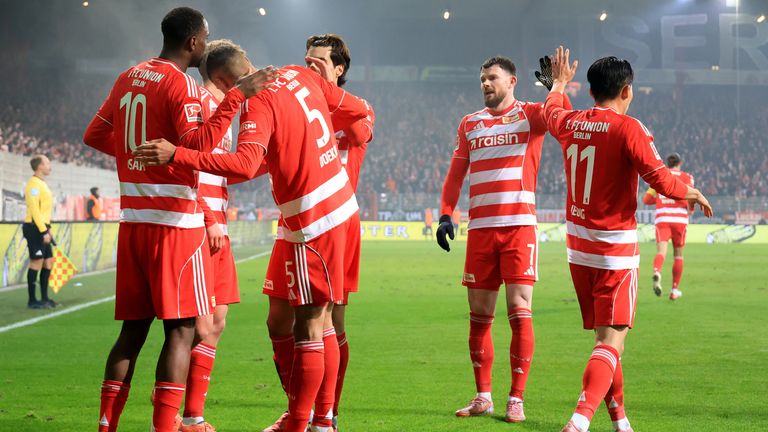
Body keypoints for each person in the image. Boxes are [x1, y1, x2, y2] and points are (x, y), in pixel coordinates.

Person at [133, 41, 369, 432]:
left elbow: (243, 165)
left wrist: (177, 155)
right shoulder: (298, 73)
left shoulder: (256, 101)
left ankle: (307, 424)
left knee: (311, 324)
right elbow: (358, 109)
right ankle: (319, 419)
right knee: (311, 319)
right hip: (339, 208)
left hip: (314, 218)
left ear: (225, 83)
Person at [82, 7, 276, 432]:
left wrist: (137, 156)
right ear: (193, 42)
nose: (205, 44)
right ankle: (168, 426)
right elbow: (199, 147)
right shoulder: (182, 85)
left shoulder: (128, 76)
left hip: (133, 222)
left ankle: (106, 426)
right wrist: (237, 97)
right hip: (175, 224)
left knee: (132, 333)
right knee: (181, 332)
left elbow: (94, 134)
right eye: (204, 37)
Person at [543, 46, 712, 432]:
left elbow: (552, 110)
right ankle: (579, 422)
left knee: (605, 342)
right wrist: (693, 192)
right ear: (627, 90)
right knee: (611, 344)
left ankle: (621, 422)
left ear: (590, 92)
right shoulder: (629, 128)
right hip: (614, 252)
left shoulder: (570, 122)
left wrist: (558, 83)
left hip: (578, 251)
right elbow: (661, 180)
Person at [436, 55, 571, 423]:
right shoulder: (470, 123)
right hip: (480, 230)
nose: (485, 83)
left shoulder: (531, 114)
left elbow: (562, 121)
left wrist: (558, 88)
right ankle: (483, 396)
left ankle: (516, 398)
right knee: (479, 317)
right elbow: (455, 174)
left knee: (519, 310)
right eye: (482, 78)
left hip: (518, 228)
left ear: (512, 82)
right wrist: (446, 213)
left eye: (492, 78)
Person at [260, 33, 375, 432]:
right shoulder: (297, 98)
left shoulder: (354, 109)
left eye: (319, 61)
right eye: (306, 59)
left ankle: (326, 416)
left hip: (332, 224)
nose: (310, 65)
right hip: (293, 221)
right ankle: (300, 409)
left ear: (339, 69)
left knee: (329, 322)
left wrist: (320, 104)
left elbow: (359, 131)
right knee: (278, 321)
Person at [178, 39, 244, 432]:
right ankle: (170, 404)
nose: (251, 73)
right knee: (197, 326)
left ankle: (192, 415)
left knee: (217, 322)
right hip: (201, 227)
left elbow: (220, 169)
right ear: (225, 74)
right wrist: (208, 218)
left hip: (219, 225)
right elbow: (188, 168)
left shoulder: (225, 111)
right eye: (244, 66)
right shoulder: (200, 103)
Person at [642, 152, 695, 300]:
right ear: (680, 163)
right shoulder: (687, 177)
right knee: (678, 255)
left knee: (661, 252)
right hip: (679, 220)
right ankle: (674, 290)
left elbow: (646, 199)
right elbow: (691, 197)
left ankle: (657, 271)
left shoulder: (660, 176)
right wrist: (690, 209)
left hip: (663, 218)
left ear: (667, 163)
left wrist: (660, 198)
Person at [22, 154, 56, 309]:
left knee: (48, 262)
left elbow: (44, 211)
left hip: (43, 227)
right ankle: (32, 300)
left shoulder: (42, 183)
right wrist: (43, 231)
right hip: (34, 228)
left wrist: (48, 228)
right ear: (40, 166)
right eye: (47, 163)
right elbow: (35, 210)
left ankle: (44, 298)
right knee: (36, 262)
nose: (50, 166)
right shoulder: (33, 184)